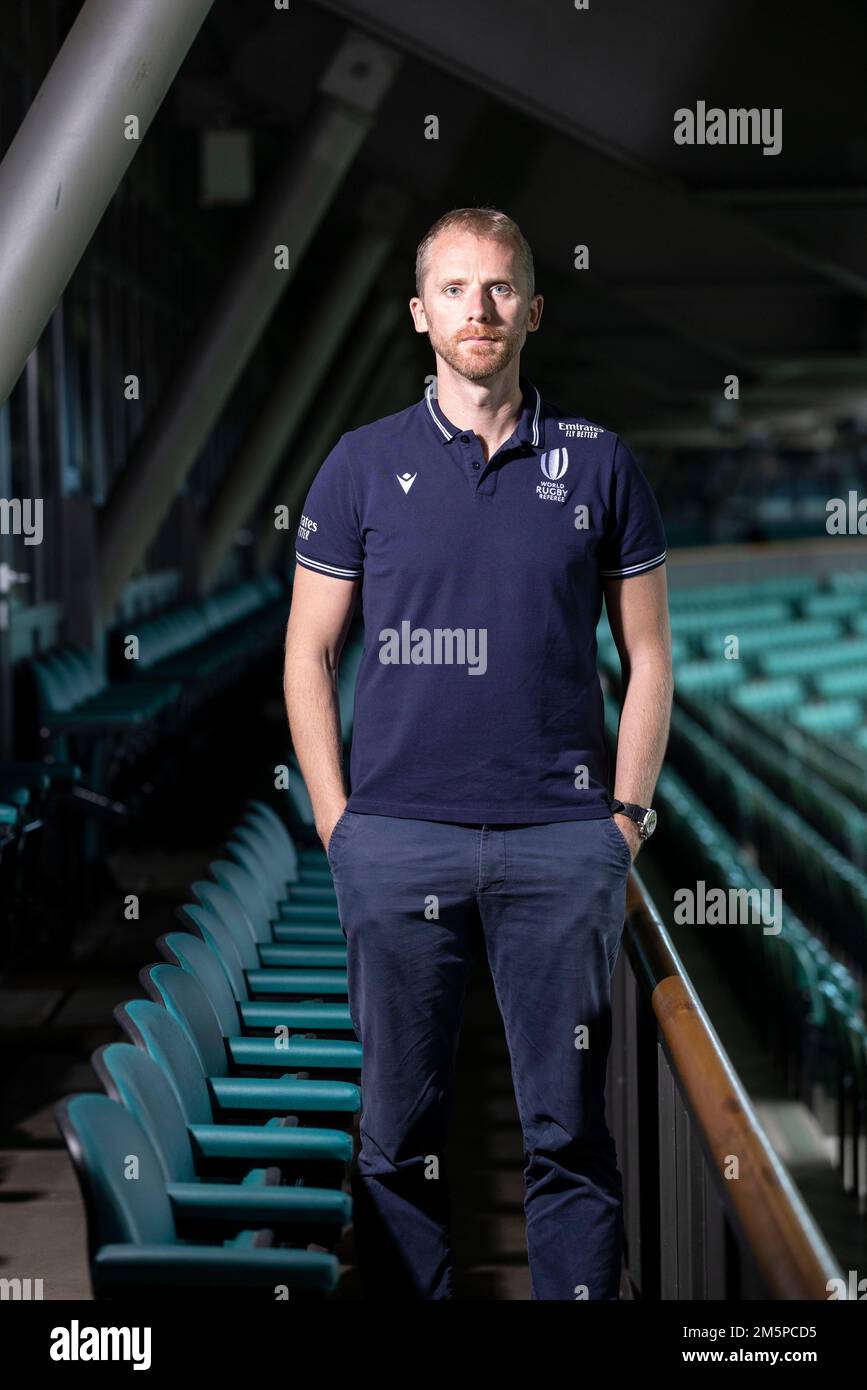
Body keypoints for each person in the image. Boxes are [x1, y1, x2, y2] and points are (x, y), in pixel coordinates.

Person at [283, 206, 673, 1300]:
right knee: (396, 1137)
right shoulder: (359, 467)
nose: (479, 310)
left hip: (561, 842)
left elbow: (650, 660)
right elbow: (306, 657)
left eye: (500, 288)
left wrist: (625, 821)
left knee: (568, 1134)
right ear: (420, 314)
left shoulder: (601, 465)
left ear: (534, 309)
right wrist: (339, 824)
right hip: (399, 843)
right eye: (454, 290)